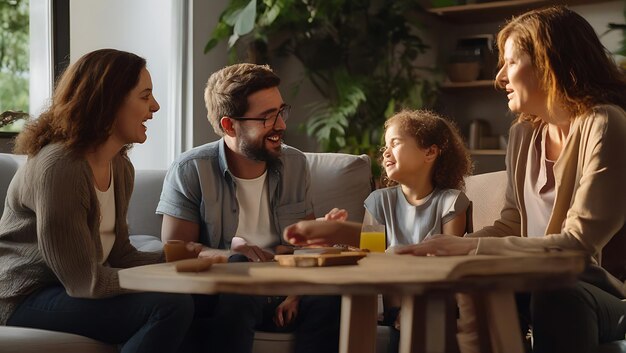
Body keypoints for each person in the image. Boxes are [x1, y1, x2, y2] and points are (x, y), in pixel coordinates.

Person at [393, 6, 626, 353]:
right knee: (448, 285)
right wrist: (441, 248)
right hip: (533, 281)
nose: (499, 77)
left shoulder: (605, 124)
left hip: (603, 292)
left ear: (550, 63)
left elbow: (577, 245)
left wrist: (469, 246)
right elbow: (511, 224)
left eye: (510, 62)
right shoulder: (523, 136)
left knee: (557, 292)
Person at [0, 49, 199, 353]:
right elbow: (85, 282)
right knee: (170, 305)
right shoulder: (60, 168)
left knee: (208, 297)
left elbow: (118, 255)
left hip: (70, 288)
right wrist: (168, 275)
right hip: (26, 296)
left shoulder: (119, 166)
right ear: (109, 101)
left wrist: (185, 262)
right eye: (145, 96)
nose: (155, 106)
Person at [156, 63, 341, 353]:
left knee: (331, 295)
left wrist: (323, 238)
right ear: (229, 125)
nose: (281, 125)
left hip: (283, 287)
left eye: (281, 112)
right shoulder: (191, 169)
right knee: (241, 273)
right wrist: (229, 256)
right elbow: (175, 251)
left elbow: (303, 248)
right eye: (267, 117)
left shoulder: (295, 164)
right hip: (224, 295)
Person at [287, 109, 472, 352]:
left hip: (433, 299)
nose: (385, 152)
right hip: (393, 303)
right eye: (385, 145)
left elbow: (447, 263)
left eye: (395, 143)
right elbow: (371, 256)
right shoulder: (378, 201)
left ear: (430, 152)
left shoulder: (452, 202)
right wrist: (336, 234)